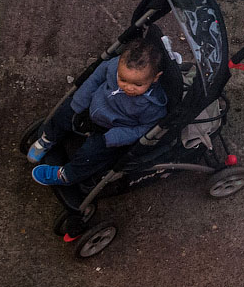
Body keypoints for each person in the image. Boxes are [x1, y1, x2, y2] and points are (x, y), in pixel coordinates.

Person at [29, 37, 168, 186]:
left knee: (92, 154)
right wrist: (79, 102)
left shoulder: (152, 105)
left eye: (138, 84)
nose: (128, 87)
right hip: (93, 107)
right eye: (123, 80)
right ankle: (49, 138)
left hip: (112, 129)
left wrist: (115, 137)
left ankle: (67, 175)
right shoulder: (114, 66)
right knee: (64, 112)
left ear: (155, 78)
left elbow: (145, 129)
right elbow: (95, 78)